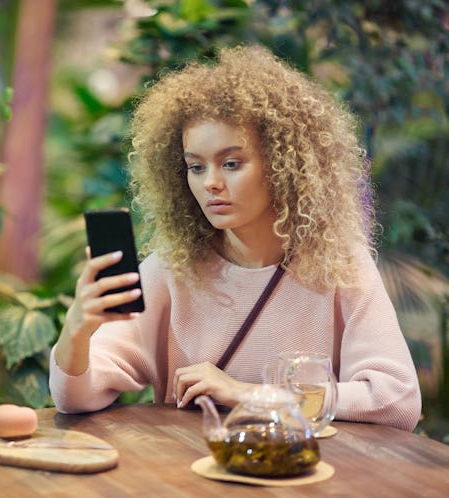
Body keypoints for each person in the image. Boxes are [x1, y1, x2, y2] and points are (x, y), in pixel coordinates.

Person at [48, 44, 422, 431]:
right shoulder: (172, 271)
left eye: (231, 163)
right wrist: (78, 326)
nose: (210, 183)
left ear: (282, 165)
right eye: (195, 166)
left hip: (304, 479)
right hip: (197, 475)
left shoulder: (339, 266)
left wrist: (248, 394)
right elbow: (75, 399)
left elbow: (397, 401)